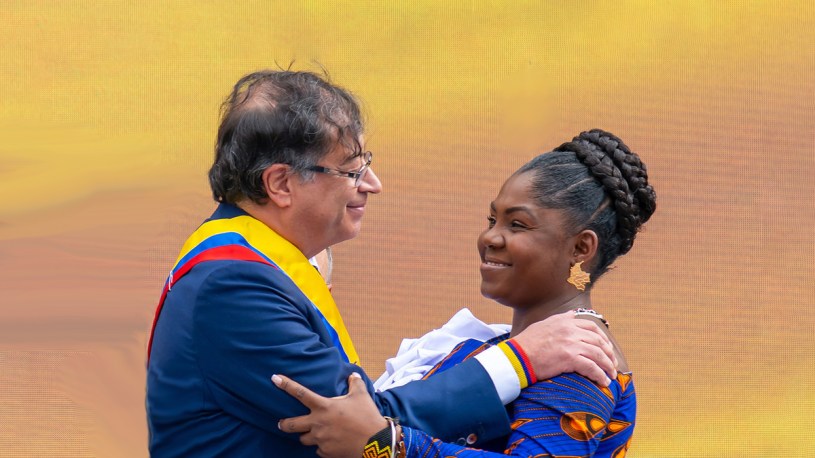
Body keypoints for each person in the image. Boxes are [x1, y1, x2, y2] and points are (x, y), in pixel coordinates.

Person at [145, 69, 619, 457]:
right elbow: (360, 424)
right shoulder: (235, 284)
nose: (373, 184)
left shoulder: (257, 263)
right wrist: (519, 360)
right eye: (352, 170)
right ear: (281, 184)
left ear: (583, 249)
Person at [275, 128, 657, 457]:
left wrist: (386, 443)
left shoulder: (582, 358)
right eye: (492, 219)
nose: (490, 237)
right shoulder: (512, 346)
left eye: (518, 224)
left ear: (581, 248)